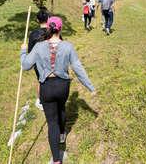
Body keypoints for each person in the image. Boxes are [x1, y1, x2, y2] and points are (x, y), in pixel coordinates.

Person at [20, 17, 96, 164]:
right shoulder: (68, 46)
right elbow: (78, 69)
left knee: (51, 122)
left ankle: (56, 160)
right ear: (61, 29)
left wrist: (23, 51)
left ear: (48, 29)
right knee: (61, 108)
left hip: (46, 88)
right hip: (63, 86)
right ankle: (62, 134)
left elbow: (26, 65)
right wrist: (90, 87)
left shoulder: (39, 46)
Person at [27, 10, 50, 111]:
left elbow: (31, 51)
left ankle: (42, 102)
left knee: (41, 81)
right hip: (53, 61)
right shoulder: (53, 31)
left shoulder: (34, 34)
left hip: (39, 63)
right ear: (48, 19)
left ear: (37, 20)